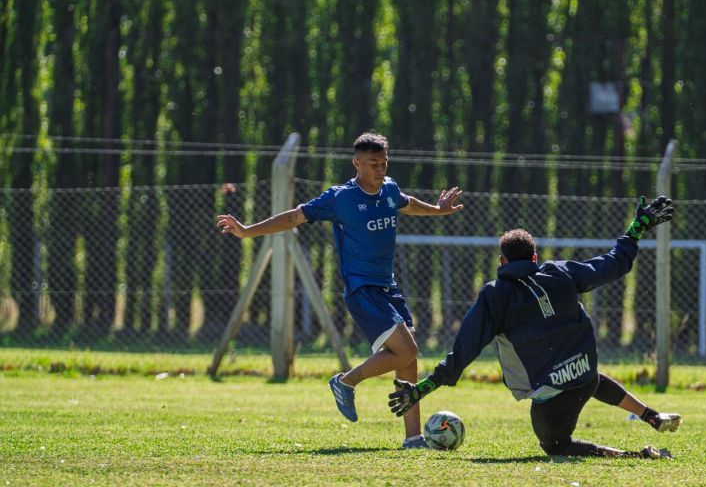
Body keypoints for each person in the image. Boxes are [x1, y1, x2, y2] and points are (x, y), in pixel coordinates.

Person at [216, 132, 463, 449]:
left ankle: (413, 438)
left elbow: (406, 203)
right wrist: (249, 230)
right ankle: (345, 381)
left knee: (407, 359)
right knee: (408, 350)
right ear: (356, 163)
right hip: (363, 289)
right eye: (373, 163)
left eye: (384, 162)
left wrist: (438, 209)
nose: (379, 169)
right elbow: (294, 216)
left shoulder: (389, 188)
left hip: (388, 287)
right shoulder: (340, 197)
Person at [387, 196, 681, 458]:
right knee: (584, 375)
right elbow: (614, 264)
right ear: (535, 258)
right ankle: (650, 416)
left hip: (549, 397)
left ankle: (635, 456)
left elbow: (464, 351)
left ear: (501, 261)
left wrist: (423, 388)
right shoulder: (560, 272)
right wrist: (636, 229)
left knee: (556, 446)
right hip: (584, 377)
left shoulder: (495, 295)